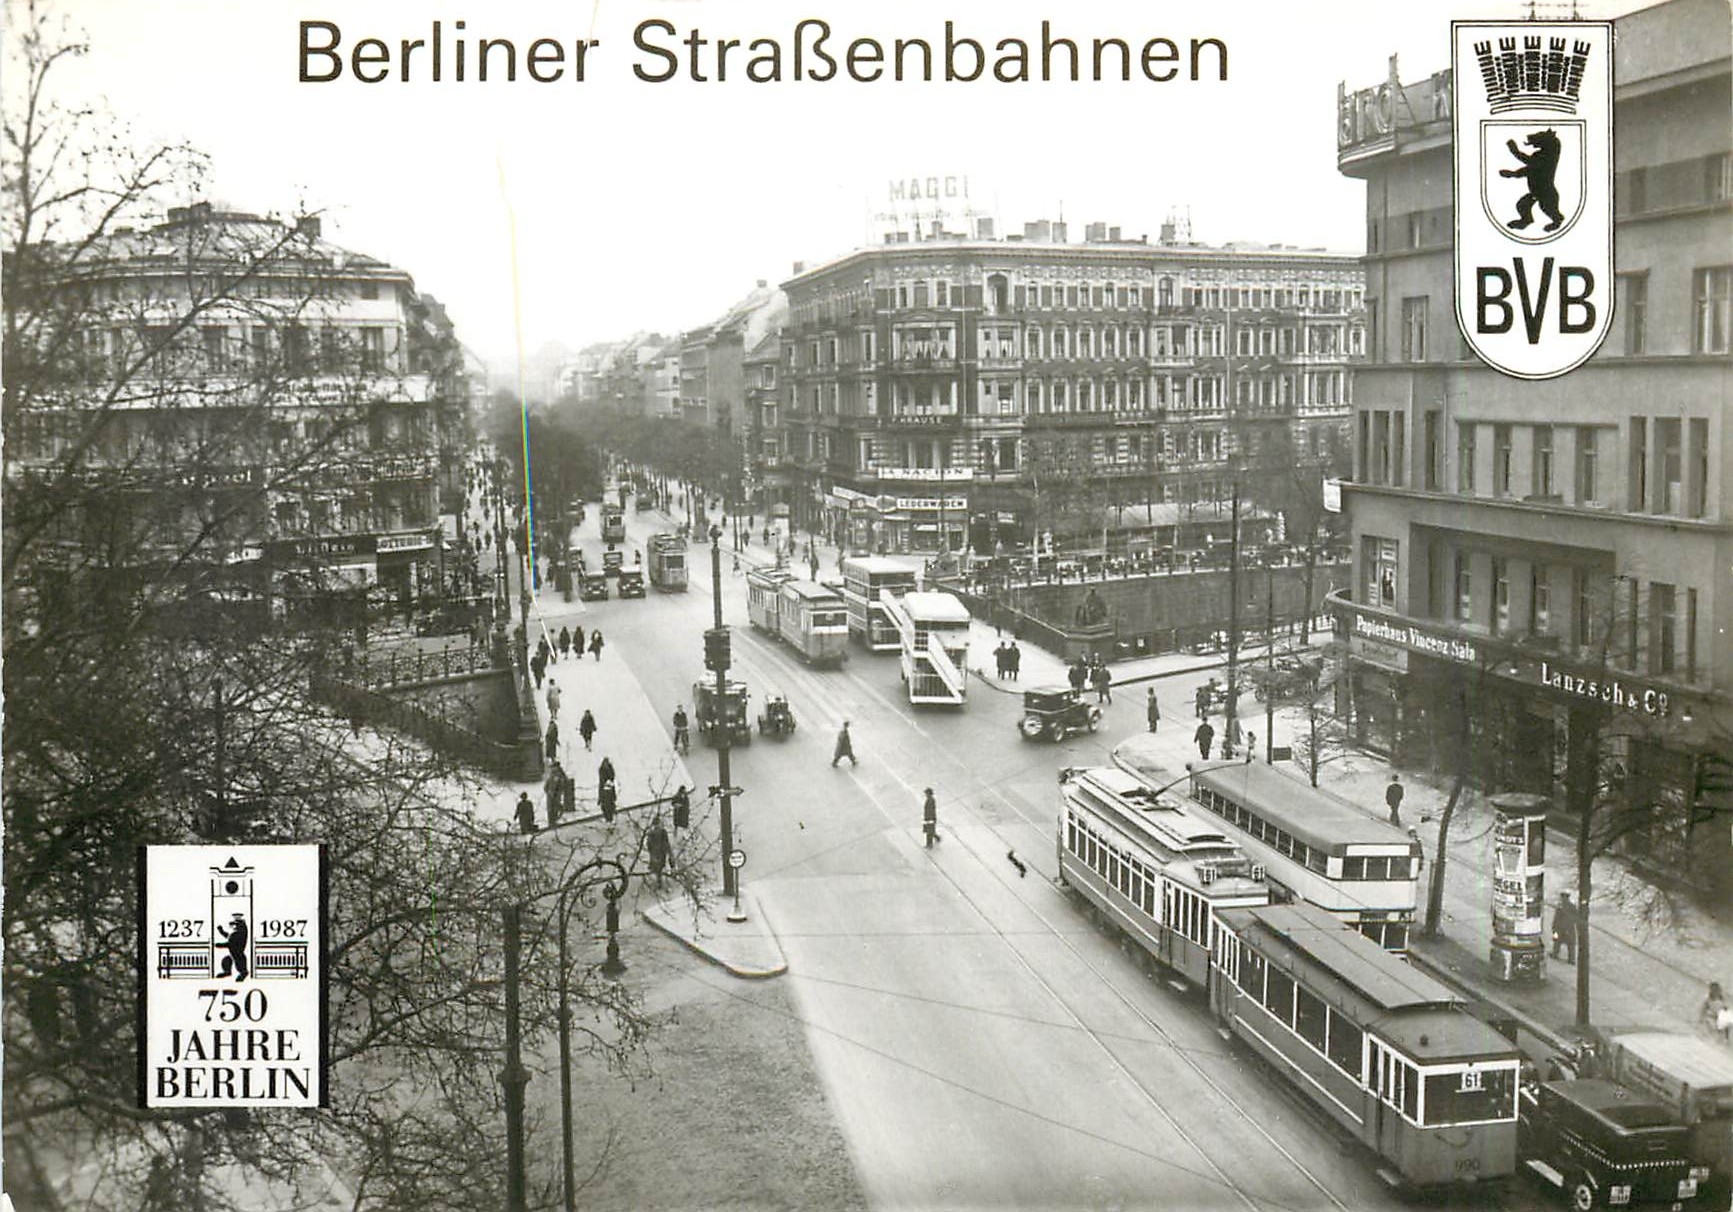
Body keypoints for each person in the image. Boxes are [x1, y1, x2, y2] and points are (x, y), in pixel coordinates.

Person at [215, 913, 250, 981]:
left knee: (239, 965)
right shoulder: (236, 932)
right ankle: (227, 972)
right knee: (226, 960)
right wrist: (221, 931)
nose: (232, 926)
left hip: (238, 953)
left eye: (234, 924)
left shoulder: (240, 932)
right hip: (233, 952)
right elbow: (229, 937)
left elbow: (231, 943)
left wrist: (220, 945)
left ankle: (243, 974)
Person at [1551, 892, 1579, 964]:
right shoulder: (1572, 906)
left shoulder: (1560, 907)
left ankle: (1555, 954)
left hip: (1560, 928)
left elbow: (1556, 918)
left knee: (1557, 941)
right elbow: (1576, 917)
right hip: (1570, 928)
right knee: (1570, 944)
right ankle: (1571, 959)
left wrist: (1554, 927)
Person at [646, 819, 671, 886]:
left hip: (655, 853)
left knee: (657, 868)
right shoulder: (662, 832)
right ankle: (658, 882)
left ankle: (658, 882)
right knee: (659, 868)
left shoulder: (651, 833)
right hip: (660, 852)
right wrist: (668, 851)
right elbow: (666, 843)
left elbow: (648, 845)